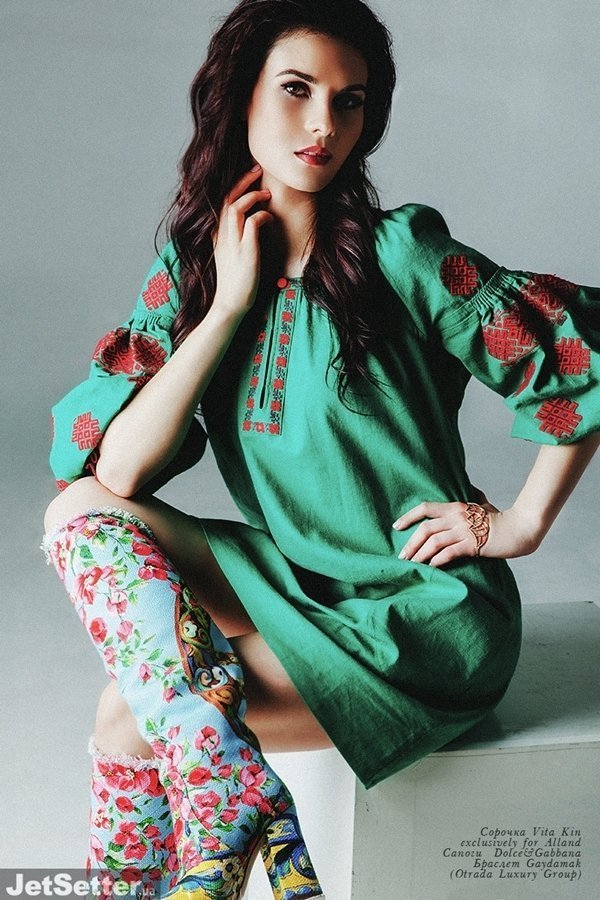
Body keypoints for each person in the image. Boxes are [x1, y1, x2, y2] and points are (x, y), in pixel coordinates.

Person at [42, 0, 599, 897]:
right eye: (297, 91)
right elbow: (120, 472)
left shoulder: (399, 252)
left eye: (350, 101)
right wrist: (227, 305)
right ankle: (227, 781)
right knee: (79, 506)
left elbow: (573, 357)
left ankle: (224, 789)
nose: (323, 126)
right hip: (298, 578)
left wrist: (521, 524)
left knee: (128, 716)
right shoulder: (197, 270)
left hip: (420, 614)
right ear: (242, 96)